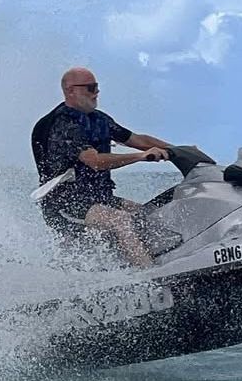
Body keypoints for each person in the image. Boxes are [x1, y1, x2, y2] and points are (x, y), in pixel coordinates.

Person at [31, 67, 172, 267]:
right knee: (121, 221)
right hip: (65, 203)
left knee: (147, 214)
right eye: (90, 88)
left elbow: (137, 139)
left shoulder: (98, 119)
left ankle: (163, 260)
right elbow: (95, 161)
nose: (96, 92)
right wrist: (141, 156)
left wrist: (176, 150)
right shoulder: (62, 125)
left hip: (98, 198)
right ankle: (150, 278)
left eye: (96, 86)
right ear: (70, 91)